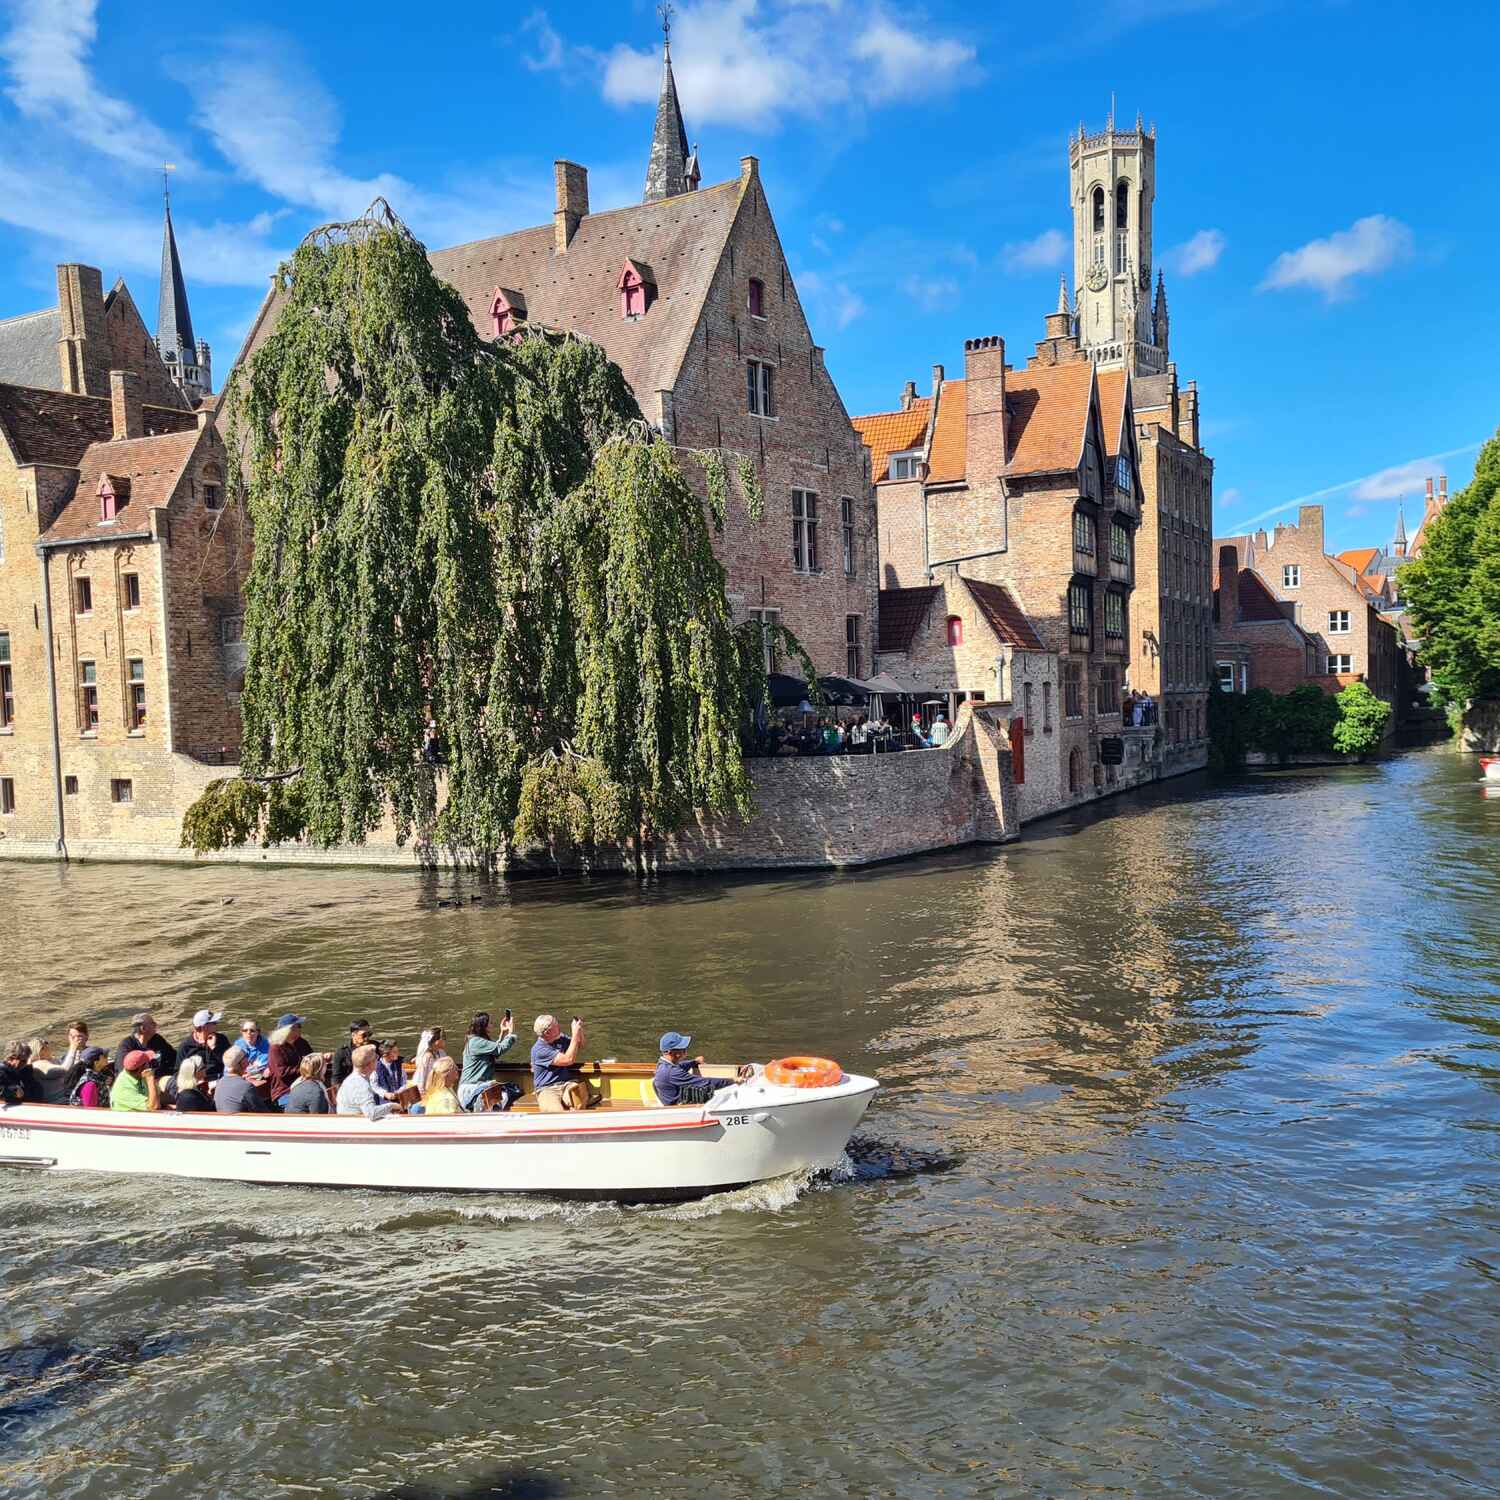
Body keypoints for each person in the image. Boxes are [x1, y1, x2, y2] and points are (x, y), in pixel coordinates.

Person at [652, 1032, 742, 1106]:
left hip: (678, 1097)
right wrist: (733, 1080)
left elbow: (680, 1065)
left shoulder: (663, 1064)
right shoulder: (672, 1072)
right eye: (682, 1049)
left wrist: (694, 1062)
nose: (685, 1051)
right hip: (678, 1107)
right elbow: (705, 1083)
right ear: (670, 1052)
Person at [530, 1014, 590, 1112]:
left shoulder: (560, 1038)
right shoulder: (539, 1050)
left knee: (578, 1098)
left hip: (567, 1084)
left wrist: (578, 1029)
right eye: (556, 1026)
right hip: (547, 1088)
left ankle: (576, 1116)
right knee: (556, 1112)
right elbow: (568, 1060)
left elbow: (580, 1044)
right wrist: (574, 1034)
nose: (559, 1026)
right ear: (548, 1032)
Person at [460, 1012, 518, 1113]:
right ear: (483, 1026)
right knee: (509, 1093)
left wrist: (502, 1033)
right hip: (471, 1089)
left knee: (508, 1092)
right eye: (490, 1023)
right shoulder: (476, 1042)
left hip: (477, 1087)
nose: (492, 1025)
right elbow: (499, 1049)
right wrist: (510, 1033)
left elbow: (493, 1051)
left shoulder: (476, 1041)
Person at [336, 1043, 399, 1121]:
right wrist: (392, 1106)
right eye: (376, 1057)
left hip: (351, 1121)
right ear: (370, 1064)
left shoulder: (352, 1078)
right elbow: (371, 1113)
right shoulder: (361, 1084)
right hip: (355, 1126)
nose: (378, 1059)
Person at [266, 1015, 315, 1108]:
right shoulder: (275, 1049)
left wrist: (320, 1058)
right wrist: (304, 1069)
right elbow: (281, 1072)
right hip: (285, 1091)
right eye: (298, 1026)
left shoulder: (301, 1042)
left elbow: (311, 1058)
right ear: (289, 1030)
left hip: (305, 1084)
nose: (300, 1029)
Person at [113, 1013, 176, 1082]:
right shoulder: (126, 1046)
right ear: (143, 1028)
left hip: (160, 1078)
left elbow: (174, 1057)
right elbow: (125, 1073)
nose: (156, 1025)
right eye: (153, 1024)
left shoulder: (157, 1039)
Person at [177, 1010, 230, 1085]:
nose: (216, 1025)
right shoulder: (186, 1046)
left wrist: (214, 1048)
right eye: (214, 1023)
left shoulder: (221, 1039)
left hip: (221, 1080)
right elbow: (179, 1073)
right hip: (197, 1084)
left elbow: (231, 1063)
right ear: (204, 1027)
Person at [214, 1049, 269, 1113]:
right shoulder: (246, 1086)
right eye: (245, 1057)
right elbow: (262, 1112)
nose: (248, 1061)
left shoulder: (220, 1083)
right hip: (242, 1122)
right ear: (241, 1063)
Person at [331, 1019, 374, 1090]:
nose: (367, 1038)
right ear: (353, 1035)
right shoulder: (342, 1052)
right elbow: (336, 1078)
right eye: (364, 1035)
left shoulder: (374, 1046)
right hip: (352, 1087)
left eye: (369, 1034)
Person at [29, 1038, 69, 1103]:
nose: (48, 1046)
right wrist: (73, 1047)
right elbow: (65, 1069)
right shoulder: (38, 1064)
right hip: (56, 1102)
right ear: (40, 1051)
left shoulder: (52, 1059)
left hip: (65, 1096)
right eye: (45, 1045)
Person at [372, 1039, 410, 1106]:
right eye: (394, 1052)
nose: (398, 1054)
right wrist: (385, 1094)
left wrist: (398, 1092)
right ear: (385, 1054)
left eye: (397, 1051)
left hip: (399, 1099)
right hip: (383, 1103)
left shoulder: (398, 1064)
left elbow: (404, 1081)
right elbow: (374, 1086)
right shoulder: (376, 1067)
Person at [412, 1028, 446, 1099]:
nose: (445, 1041)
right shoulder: (427, 1057)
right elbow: (421, 1077)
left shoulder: (441, 1053)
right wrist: (423, 1094)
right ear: (437, 1041)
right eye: (443, 1038)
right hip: (427, 1089)